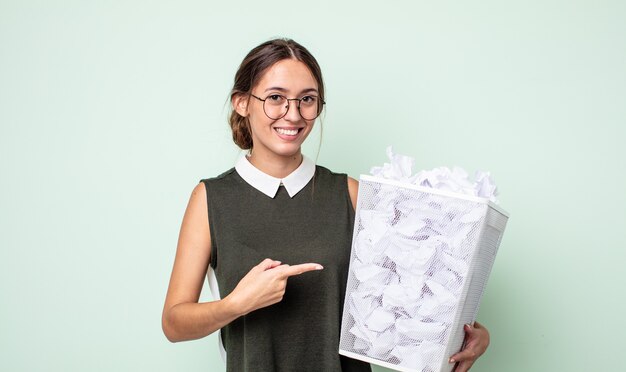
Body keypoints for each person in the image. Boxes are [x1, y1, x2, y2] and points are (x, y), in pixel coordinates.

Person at [162, 38, 490, 372]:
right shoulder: (210, 199)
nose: (293, 114)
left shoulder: (351, 194)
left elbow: (419, 296)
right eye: (275, 98)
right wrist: (236, 304)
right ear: (242, 103)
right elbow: (174, 323)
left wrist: (472, 335)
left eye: (307, 100)